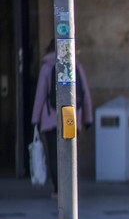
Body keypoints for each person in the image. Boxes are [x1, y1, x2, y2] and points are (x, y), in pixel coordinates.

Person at [31, 39, 94, 196]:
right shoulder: (75, 65)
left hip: (51, 119)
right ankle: (70, 188)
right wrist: (88, 118)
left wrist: (35, 119)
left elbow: (40, 96)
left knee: (54, 155)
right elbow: (84, 93)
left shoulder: (47, 67)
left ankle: (58, 190)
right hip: (72, 118)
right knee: (71, 153)